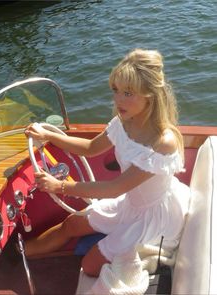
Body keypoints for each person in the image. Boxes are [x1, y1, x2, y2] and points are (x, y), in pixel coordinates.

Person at [24, 48, 190, 277]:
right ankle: (19, 253)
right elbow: (91, 148)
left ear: (150, 95)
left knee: (89, 266)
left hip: (152, 216)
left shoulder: (163, 142)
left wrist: (58, 186)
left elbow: (115, 188)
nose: (118, 99)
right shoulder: (123, 121)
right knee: (72, 224)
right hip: (130, 204)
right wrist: (50, 135)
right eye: (116, 90)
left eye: (128, 93)